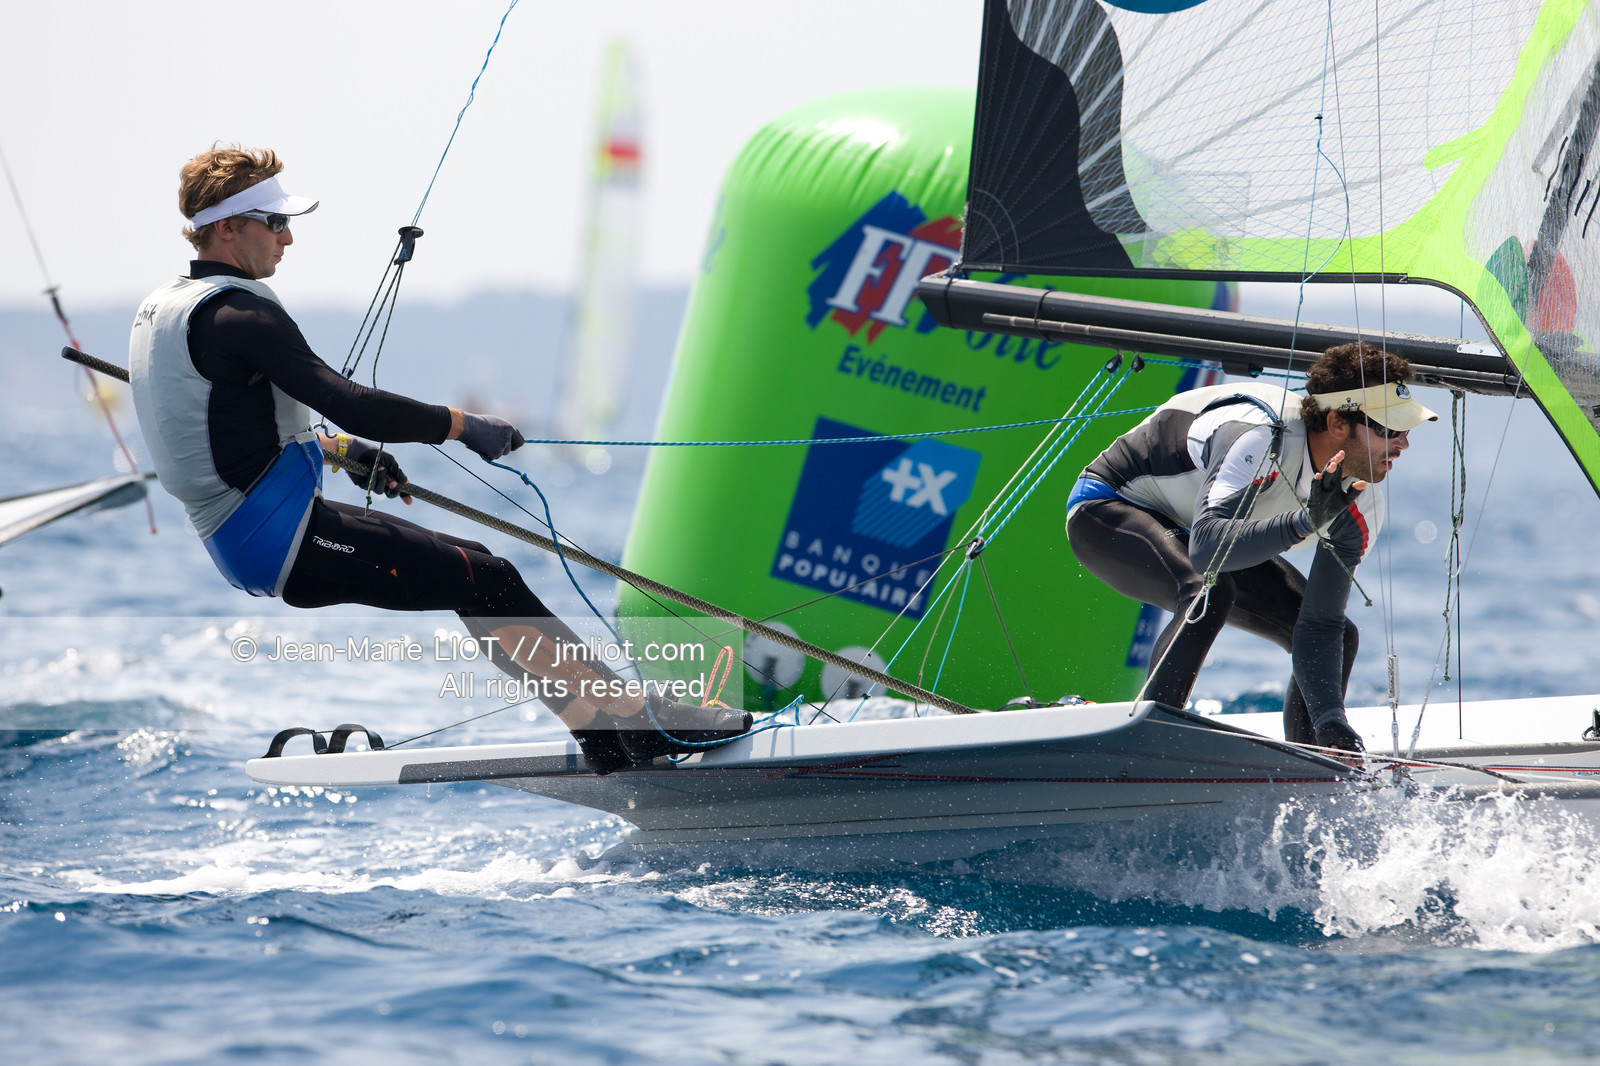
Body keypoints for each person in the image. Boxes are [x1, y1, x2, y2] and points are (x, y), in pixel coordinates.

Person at [127, 144, 749, 773]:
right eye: (278, 224)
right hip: (281, 539)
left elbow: (224, 430)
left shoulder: (168, 308)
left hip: (247, 538)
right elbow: (352, 402)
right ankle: (632, 725)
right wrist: (462, 425)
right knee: (491, 581)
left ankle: (608, 737)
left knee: (478, 569)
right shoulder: (240, 315)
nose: (288, 241)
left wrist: (340, 452)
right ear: (229, 227)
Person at [1064, 343, 1437, 752]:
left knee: (1338, 635)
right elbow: (1207, 551)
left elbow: (1320, 623)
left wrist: (1331, 720)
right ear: (1336, 423)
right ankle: (1149, 742)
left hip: (1199, 530)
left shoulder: (1361, 500)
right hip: (1110, 506)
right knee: (1207, 591)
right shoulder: (1261, 436)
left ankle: (1311, 767)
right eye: (1388, 430)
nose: (1403, 445)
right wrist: (1303, 522)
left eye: (1406, 430)